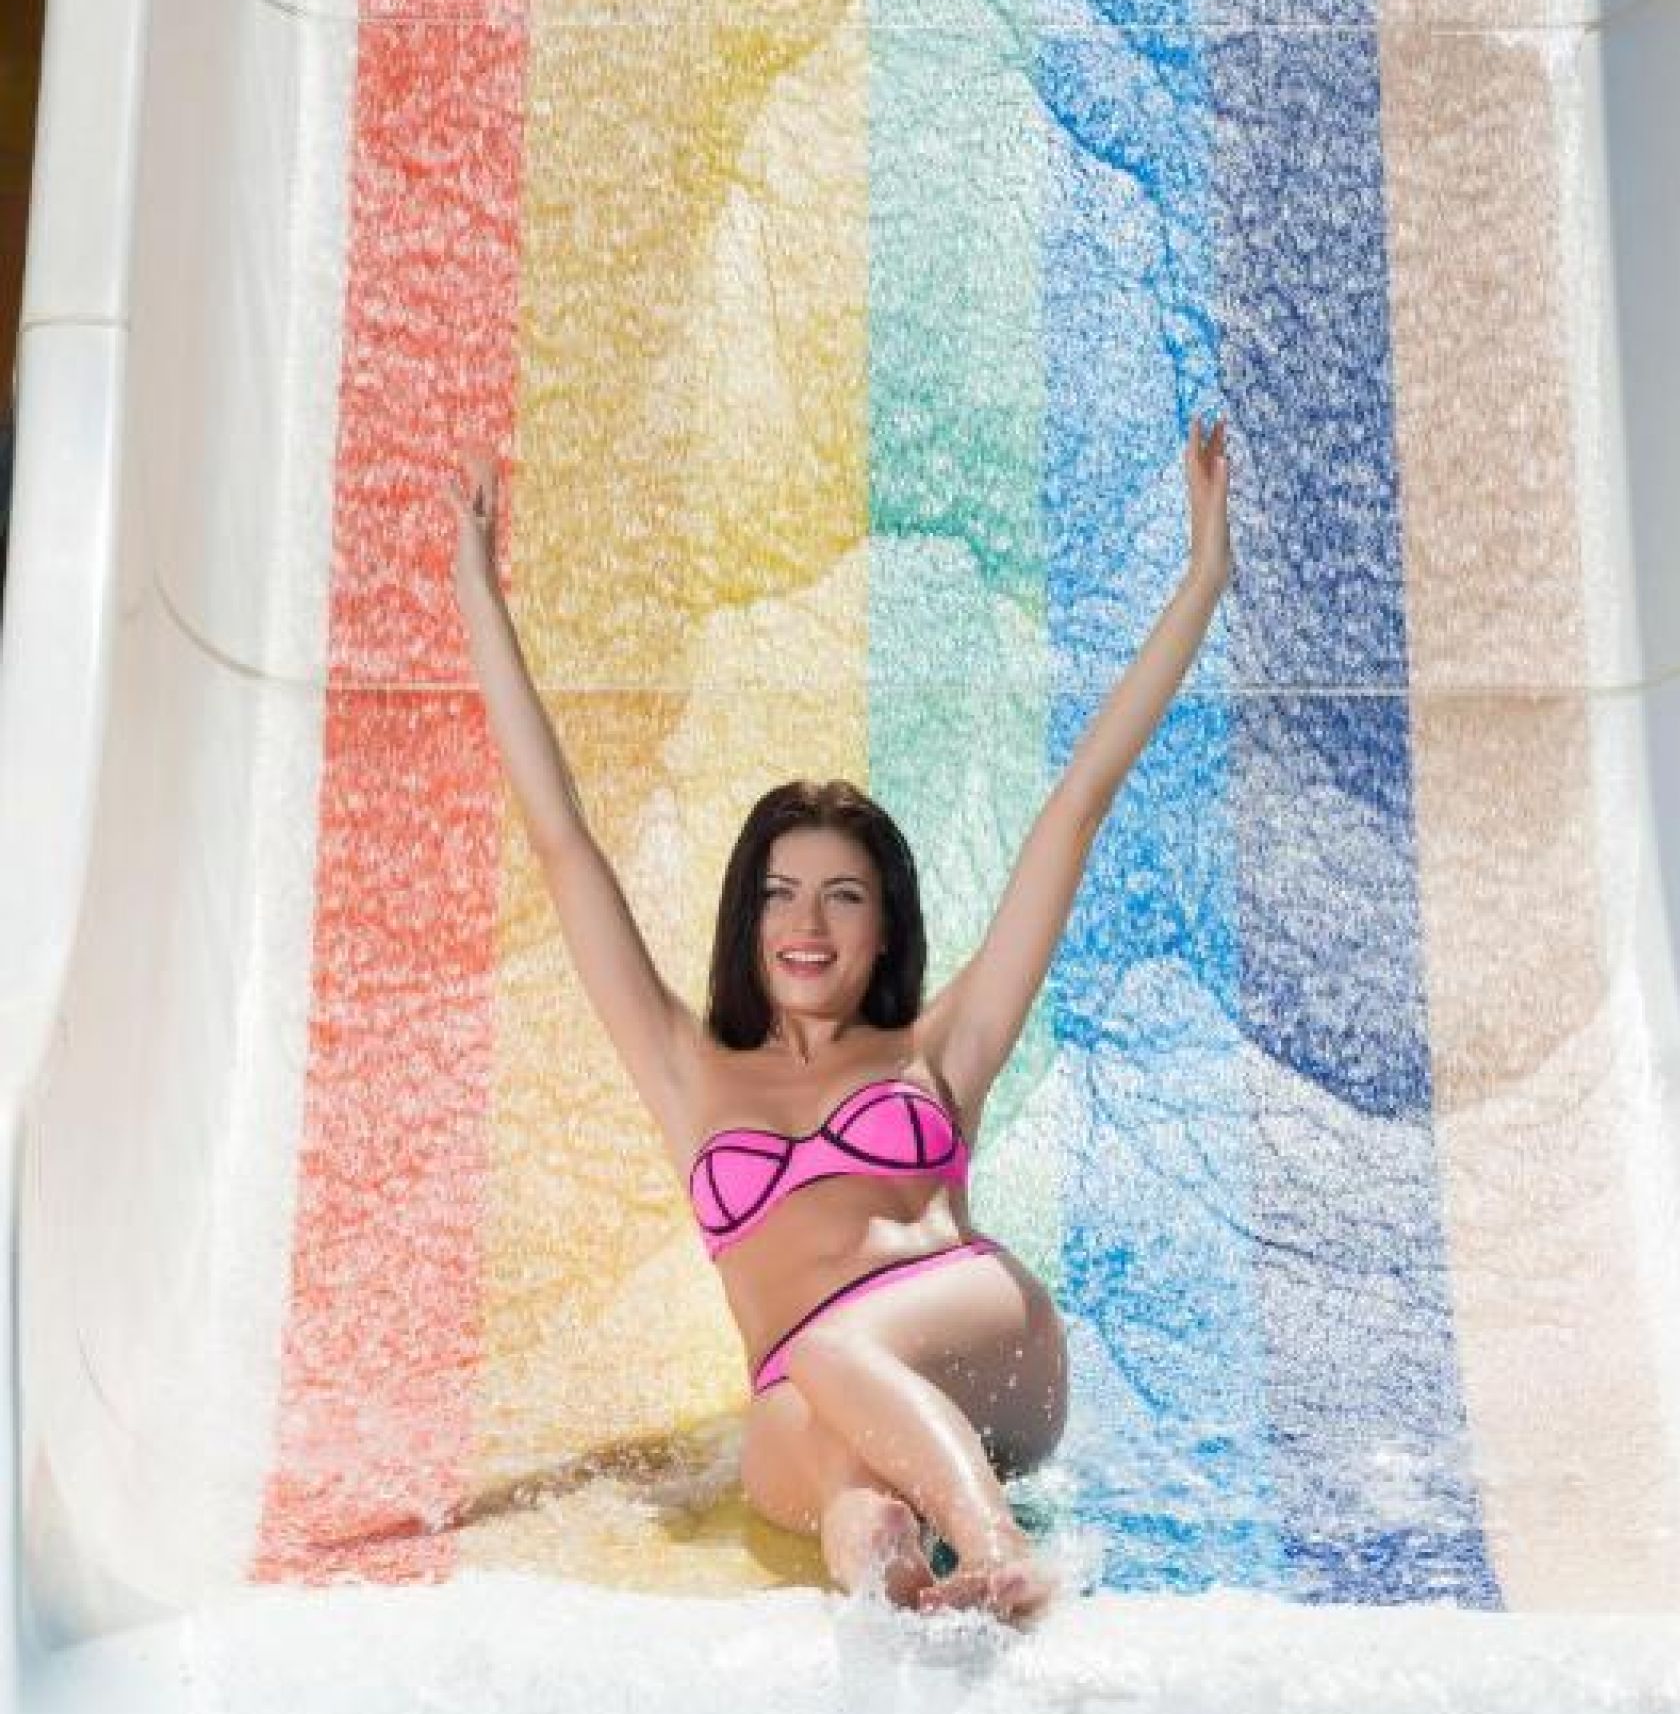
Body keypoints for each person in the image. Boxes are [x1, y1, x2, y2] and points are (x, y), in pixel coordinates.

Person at [447, 416, 1233, 1620]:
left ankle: (998, 1552)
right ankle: (901, 1597)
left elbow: (1076, 805)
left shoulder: (937, 1046)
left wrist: (1201, 580)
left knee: (829, 1349)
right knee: (844, 1488)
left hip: (980, 1339)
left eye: (842, 895)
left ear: (884, 924)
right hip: (802, 1391)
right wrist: (479, 595)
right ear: (747, 916)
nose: (805, 922)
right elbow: (561, 840)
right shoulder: (688, 1070)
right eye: (780, 892)